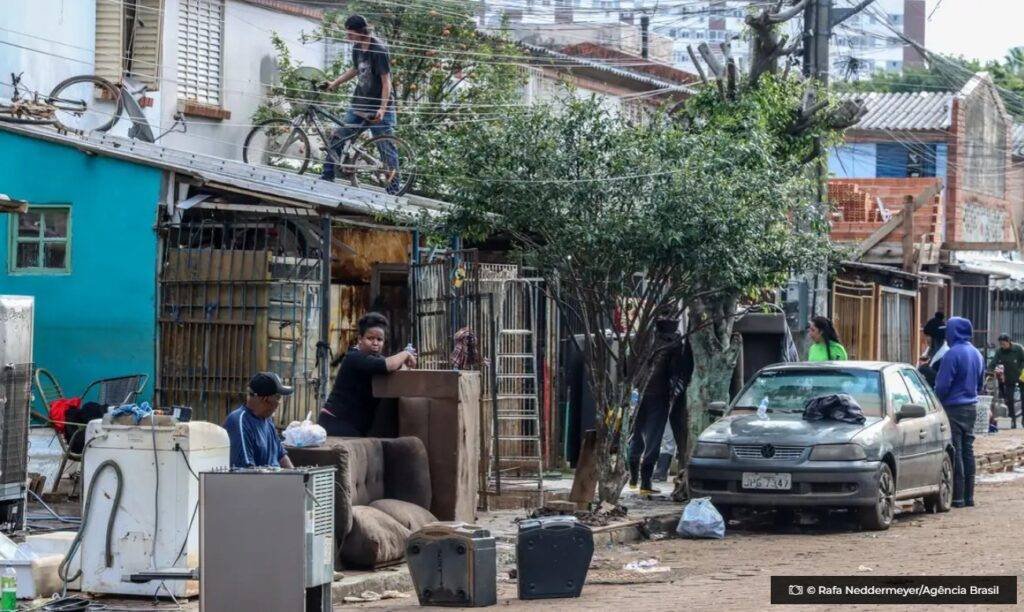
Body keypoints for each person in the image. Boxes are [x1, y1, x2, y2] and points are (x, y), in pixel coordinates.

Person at [321, 15, 400, 193]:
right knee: (338, 135)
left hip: (380, 107)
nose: (347, 36)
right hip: (359, 104)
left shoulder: (378, 50)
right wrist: (335, 83)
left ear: (359, 31)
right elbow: (356, 69)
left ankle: (394, 190)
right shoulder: (357, 47)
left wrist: (382, 107)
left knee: (386, 147)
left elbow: (387, 81)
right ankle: (327, 175)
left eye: (349, 32)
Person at [319, 312, 416, 437]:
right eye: (370, 338)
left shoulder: (376, 360)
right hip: (335, 423)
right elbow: (388, 365)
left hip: (353, 426)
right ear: (360, 339)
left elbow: (392, 374)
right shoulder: (355, 357)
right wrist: (406, 353)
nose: (375, 343)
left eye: (379, 339)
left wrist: (406, 365)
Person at [628, 318, 686, 494]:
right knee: (653, 439)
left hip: (637, 393)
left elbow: (628, 366)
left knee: (636, 435)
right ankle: (646, 483)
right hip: (658, 395)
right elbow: (676, 372)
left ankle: (632, 479)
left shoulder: (642, 341)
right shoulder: (673, 344)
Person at [935, 317, 985, 508]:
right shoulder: (976, 354)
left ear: (954, 332)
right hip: (971, 407)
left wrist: (936, 398)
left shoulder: (952, 354)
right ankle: (969, 496)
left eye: (948, 330)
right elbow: (980, 384)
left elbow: (942, 385)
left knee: (955, 450)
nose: (946, 334)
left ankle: (957, 498)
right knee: (968, 450)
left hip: (953, 408)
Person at [224, 372, 295, 469]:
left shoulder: (267, 420)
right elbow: (247, 471)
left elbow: (281, 457)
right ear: (265, 399)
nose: (279, 403)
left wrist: (297, 478)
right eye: (278, 398)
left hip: (275, 480)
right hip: (259, 482)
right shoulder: (239, 421)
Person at [989, 333, 1024, 429]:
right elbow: (993, 363)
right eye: (1000, 344)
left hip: (1022, 378)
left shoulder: (1018, 349)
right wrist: (990, 370)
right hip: (1010, 379)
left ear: (1009, 342)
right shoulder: (1000, 351)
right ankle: (1012, 421)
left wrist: (1022, 371)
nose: (1002, 346)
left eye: (1003, 344)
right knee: (1009, 400)